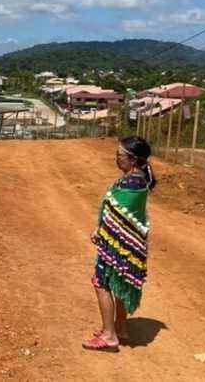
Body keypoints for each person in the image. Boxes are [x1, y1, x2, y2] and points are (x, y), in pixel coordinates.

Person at [82, 136, 156, 352]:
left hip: (117, 245)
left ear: (132, 159)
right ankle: (120, 326)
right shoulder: (136, 178)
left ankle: (109, 335)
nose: (116, 159)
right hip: (123, 243)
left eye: (119, 155)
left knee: (101, 282)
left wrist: (101, 232)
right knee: (118, 282)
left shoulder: (133, 182)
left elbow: (118, 215)